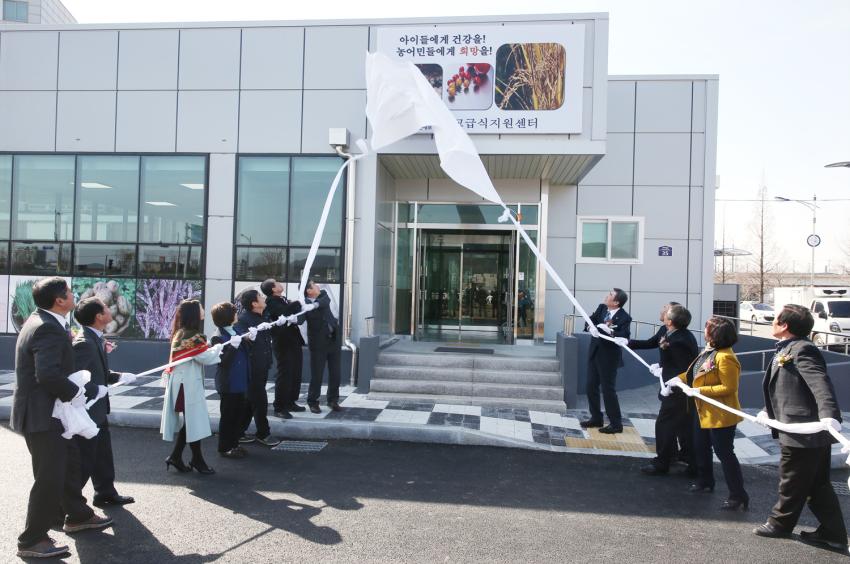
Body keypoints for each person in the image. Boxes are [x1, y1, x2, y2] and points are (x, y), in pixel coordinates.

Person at [11, 277, 111, 559]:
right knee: (49, 477)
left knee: (70, 464)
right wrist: (76, 393)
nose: (73, 294)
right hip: (43, 415)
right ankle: (32, 539)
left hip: (50, 412)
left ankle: (77, 515)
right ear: (59, 300)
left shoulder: (45, 321)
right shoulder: (47, 328)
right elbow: (48, 375)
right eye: (69, 292)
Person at [753, 304, 847, 549]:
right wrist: (769, 412)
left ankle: (780, 524)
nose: (772, 322)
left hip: (803, 432)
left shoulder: (803, 349)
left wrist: (829, 415)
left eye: (775, 319)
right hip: (802, 430)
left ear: (784, 326)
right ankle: (832, 532)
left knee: (791, 480)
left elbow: (820, 383)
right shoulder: (789, 348)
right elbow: (790, 388)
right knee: (817, 485)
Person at [674, 316, 749, 511]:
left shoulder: (725, 357)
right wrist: (676, 379)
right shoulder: (708, 351)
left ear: (715, 333)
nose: (704, 329)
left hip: (720, 415)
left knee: (725, 454)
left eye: (707, 327)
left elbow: (729, 387)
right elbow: (693, 375)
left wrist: (699, 391)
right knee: (701, 447)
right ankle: (705, 481)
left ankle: (738, 494)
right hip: (702, 412)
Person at [71, 297, 136, 507]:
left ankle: (105, 492)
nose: (110, 310)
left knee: (102, 454)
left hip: (99, 409)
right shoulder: (84, 342)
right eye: (107, 308)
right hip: (88, 410)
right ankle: (65, 505)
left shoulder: (96, 337)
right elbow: (76, 378)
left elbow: (98, 372)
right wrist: (94, 389)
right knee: (85, 461)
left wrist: (117, 376)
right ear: (99, 317)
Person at [629, 303, 699, 476]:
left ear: (670, 321)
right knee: (681, 425)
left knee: (665, 425)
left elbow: (683, 367)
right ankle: (687, 460)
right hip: (672, 386)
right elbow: (658, 349)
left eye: (666, 311)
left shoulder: (681, 340)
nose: (662, 311)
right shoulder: (672, 333)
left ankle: (662, 463)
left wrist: (666, 373)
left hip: (677, 390)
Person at [161, 300, 222, 475]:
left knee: (191, 421)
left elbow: (200, 354)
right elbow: (206, 358)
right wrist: (219, 348)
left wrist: (212, 348)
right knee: (193, 420)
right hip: (186, 384)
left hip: (182, 382)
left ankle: (178, 457)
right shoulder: (194, 336)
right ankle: (195, 460)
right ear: (195, 313)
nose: (203, 310)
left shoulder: (182, 333)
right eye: (201, 308)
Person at [580, 288, 632, 434]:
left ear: (616, 302)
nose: (606, 296)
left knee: (608, 390)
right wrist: (590, 327)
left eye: (610, 295)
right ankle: (596, 417)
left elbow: (625, 334)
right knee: (591, 387)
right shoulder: (602, 308)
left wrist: (611, 332)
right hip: (595, 353)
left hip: (609, 358)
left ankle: (616, 423)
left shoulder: (624, 317)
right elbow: (590, 320)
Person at [236, 290, 281, 447]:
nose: (263, 298)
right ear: (254, 303)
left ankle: (238, 432)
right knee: (260, 400)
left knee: (250, 400)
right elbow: (240, 339)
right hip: (252, 367)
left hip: (262, 365)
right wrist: (248, 335)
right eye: (260, 297)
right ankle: (263, 433)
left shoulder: (263, 316)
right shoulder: (244, 319)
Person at [209, 301, 250, 459]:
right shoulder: (218, 337)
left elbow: (245, 349)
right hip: (229, 382)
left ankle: (234, 444)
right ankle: (225, 447)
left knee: (238, 414)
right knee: (228, 416)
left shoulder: (236, 329)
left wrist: (249, 339)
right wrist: (233, 346)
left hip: (241, 379)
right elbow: (224, 362)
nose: (236, 314)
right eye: (234, 312)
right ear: (228, 316)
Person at [260, 279, 305, 419]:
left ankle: (290, 401)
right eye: (277, 283)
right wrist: (296, 303)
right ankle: (279, 406)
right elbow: (285, 312)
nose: (280, 284)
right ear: (273, 289)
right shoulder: (271, 302)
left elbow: (292, 311)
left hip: (293, 340)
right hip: (283, 342)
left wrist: (293, 305)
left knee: (295, 371)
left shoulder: (282, 299)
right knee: (285, 373)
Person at [302, 280, 341, 413]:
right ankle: (313, 401)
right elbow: (300, 319)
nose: (318, 286)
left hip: (333, 339)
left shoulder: (323, 295)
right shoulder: (304, 303)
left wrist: (315, 305)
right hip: (318, 343)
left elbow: (325, 302)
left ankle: (333, 400)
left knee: (335, 372)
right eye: (314, 285)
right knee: (317, 374)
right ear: (309, 291)